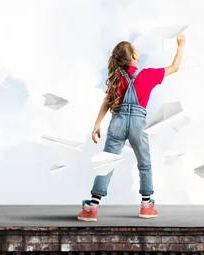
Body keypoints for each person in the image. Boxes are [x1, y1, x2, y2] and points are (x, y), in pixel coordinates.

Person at [77, 34, 186, 222]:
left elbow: (106, 101)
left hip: (117, 122)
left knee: (107, 162)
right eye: (136, 50)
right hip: (137, 124)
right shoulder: (148, 75)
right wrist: (181, 45)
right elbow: (175, 67)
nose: (138, 51)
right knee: (144, 164)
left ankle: (92, 208)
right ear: (133, 57)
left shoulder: (116, 78)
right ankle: (146, 206)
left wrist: (97, 124)